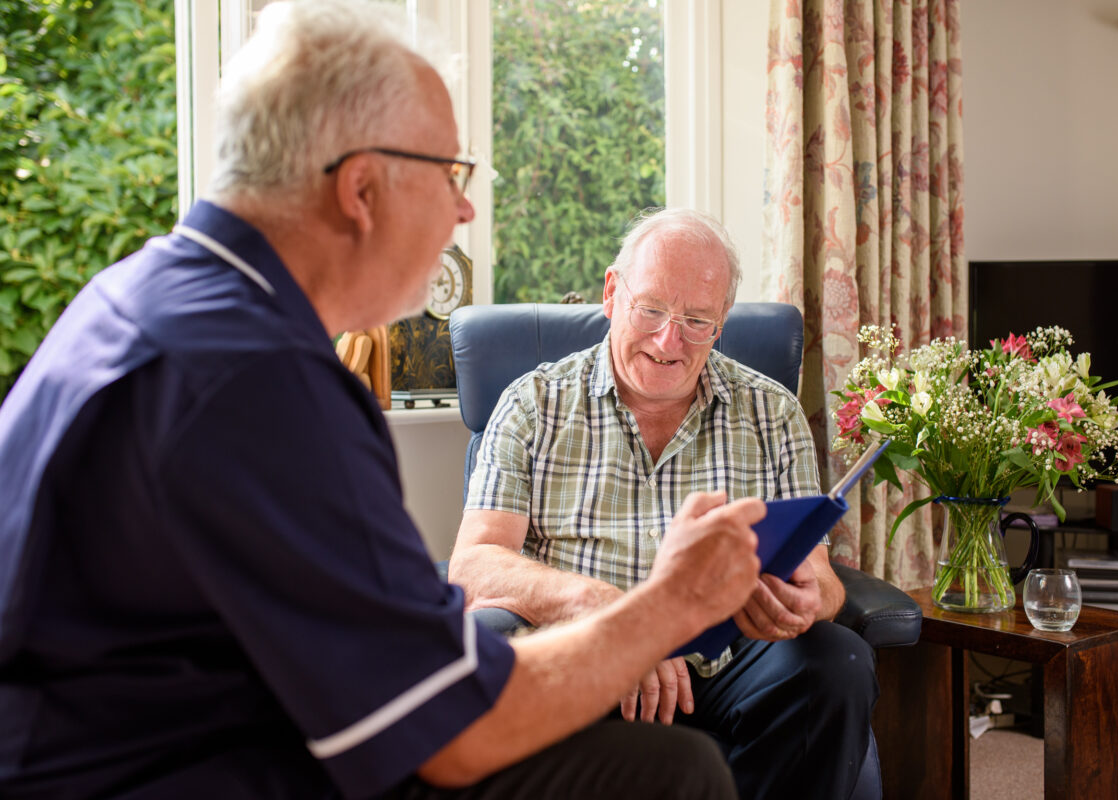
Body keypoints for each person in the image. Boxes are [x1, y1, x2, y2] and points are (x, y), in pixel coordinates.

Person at [0, 3, 768, 798]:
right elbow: (457, 731)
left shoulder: (140, 296)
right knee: (672, 773)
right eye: (450, 175)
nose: (465, 211)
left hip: (139, 742)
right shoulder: (261, 379)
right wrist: (668, 607)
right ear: (362, 188)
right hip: (155, 774)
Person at [449, 207, 880, 800]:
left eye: (696, 320)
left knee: (837, 663)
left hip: (726, 660)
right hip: (579, 657)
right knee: (481, 654)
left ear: (721, 323)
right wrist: (619, 619)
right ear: (611, 293)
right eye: (651, 309)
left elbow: (821, 578)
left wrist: (810, 602)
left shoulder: (772, 412)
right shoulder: (533, 404)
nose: (668, 341)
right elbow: (475, 565)